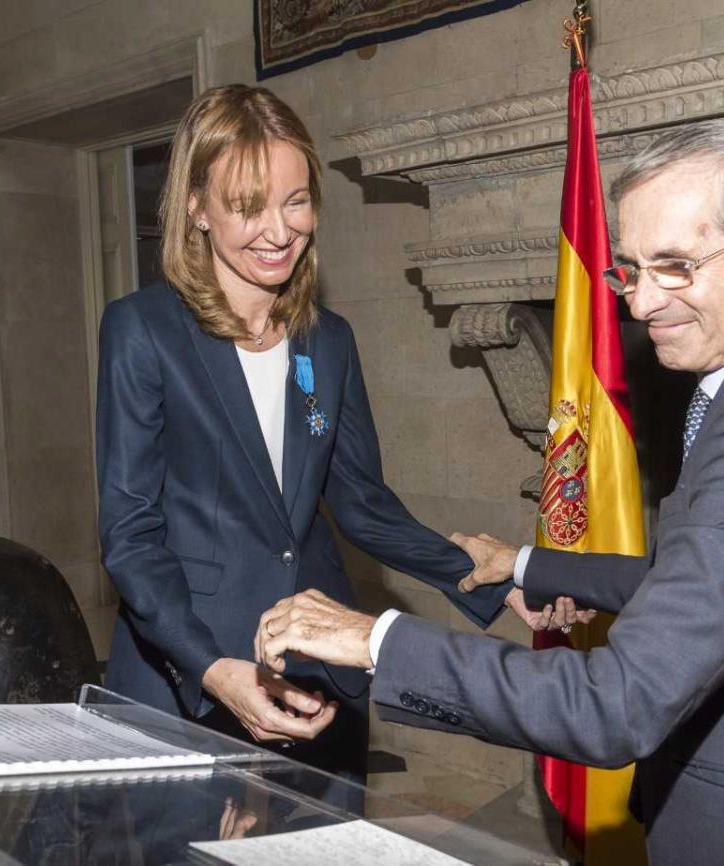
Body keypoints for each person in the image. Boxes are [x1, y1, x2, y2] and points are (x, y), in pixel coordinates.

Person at [255, 121, 724, 864]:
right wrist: (527, 564)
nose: (641, 305)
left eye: (676, 267)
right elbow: (715, 577)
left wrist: (376, 639)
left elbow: (619, 703)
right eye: (629, 270)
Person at [95, 85, 568, 790]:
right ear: (196, 207)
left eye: (296, 201)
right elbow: (130, 534)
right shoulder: (142, 330)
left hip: (316, 673)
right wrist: (215, 670)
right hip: (190, 677)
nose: (279, 231)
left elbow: (361, 503)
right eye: (247, 207)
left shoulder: (330, 339)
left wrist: (491, 588)